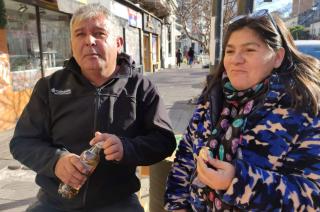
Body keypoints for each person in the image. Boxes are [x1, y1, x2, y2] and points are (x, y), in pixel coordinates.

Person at [10, 4, 176, 212]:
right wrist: (56, 162)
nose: (89, 41)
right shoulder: (50, 87)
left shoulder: (140, 87)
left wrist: (127, 148)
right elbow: (22, 142)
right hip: (55, 201)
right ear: (72, 44)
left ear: (118, 42)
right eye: (80, 34)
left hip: (118, 201)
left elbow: (164, 141)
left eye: (99, 33)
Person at [164, 9, 320, 211]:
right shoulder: (211, 99)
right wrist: (176, 207)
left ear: (278, 57)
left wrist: (237, 183)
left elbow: (313, 197)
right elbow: (185, 160)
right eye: (230, 51)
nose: (236, 59)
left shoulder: (304, 108)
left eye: (249, 50)